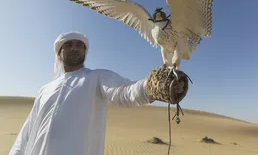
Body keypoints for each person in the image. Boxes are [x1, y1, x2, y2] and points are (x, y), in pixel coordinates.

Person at [9, 31, 187, 155]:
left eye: (80, 45)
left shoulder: (97, 77)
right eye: (68, 44)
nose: (74, 48)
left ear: (85, 52)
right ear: (59, 52)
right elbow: (27, 131)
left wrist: (152, 87)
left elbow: (123, 92)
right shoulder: (44, 90)